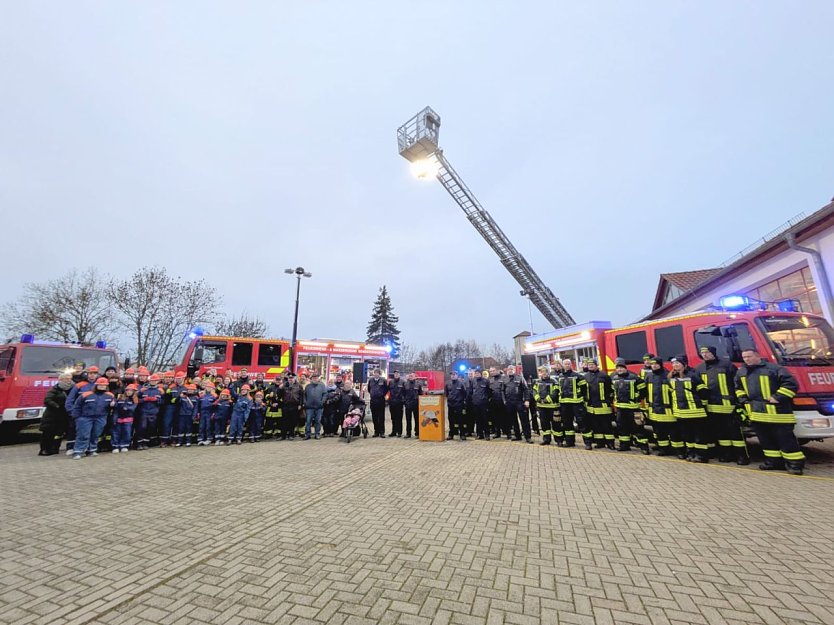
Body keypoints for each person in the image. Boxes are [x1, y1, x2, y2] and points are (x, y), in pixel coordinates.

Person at [735, 347, 804, 475]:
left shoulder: (774, 369)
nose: (746, 359)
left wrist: (777, 397)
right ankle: (773, 462)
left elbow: (791, 384)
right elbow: (738, 387)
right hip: (757, 414)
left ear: (758, 356)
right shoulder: (742, 372)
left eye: (749, 356)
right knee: (766, 441)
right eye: (744, 357)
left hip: (778, 414)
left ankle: (795, 465)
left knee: (786, 440)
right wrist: (743, 399)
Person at [695, 345, 748, 464]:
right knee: (720, 432)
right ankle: (726, 454)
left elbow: (737, 383)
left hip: (729, 405)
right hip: (711, 406)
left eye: (707, 352)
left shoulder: (727, 365)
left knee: (735, 433)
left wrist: (739, 401)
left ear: (713, 353)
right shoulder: (699, 368)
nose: (705, 355)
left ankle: (741, 456)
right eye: (702, 353)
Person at [668, 354, 710, 462]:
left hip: (695, 411)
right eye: (673, 363)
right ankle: (691, 453)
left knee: (699, 435)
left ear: (684, 364)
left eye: (678, 363)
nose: (675, 365)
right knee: (687, 435)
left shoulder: (693, 376)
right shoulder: (672, 378)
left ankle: (701, 455)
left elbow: (704, 392)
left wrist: (702, 405)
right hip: (681, 412)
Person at [643, 357, 682, 457]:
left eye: (656, 364)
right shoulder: (649, 376)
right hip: (654, 409)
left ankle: (678, 451)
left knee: (673, 431)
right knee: (659, 431)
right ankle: (664, 449)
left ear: (660, 364)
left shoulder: (668, 375)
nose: (654, 366)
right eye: (652, 364)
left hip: (668, 409)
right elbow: (645, 392)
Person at [71, 377, 115, 460]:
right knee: (83, 435)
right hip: (85, 418)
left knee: (96, 434)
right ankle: (78, 451)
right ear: (96, 385)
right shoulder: (85, 394)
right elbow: (77, 406)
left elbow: (113, 407)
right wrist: (76, 418)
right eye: (100, 385)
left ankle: (92, 450)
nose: (102, 387)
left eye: (104, 385)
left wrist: (113, 405)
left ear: (107, 386)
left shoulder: (110, 395)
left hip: (101, 417)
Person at [611, 358, 647, 453]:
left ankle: (644, 447)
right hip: (620, 408)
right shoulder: (614, 379)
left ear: (625, 368)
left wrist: (637, 398)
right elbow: (612, 391)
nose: (619, 370)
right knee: (622, 428)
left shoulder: (634, 378)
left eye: (621, 368)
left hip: (633, 408)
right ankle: (624, 445)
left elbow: (643, 390)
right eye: (618, 368)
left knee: (638, 427)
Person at [63, 366, 97, 455]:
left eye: (94, 373)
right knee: (74, 430)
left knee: (91, 432)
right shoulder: (79, 385)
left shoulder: (99, 385)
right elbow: (70, 399)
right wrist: (71, 411)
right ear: (87, 374)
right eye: (90, 373)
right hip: (80, 413)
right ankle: (71, 447)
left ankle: (89, 449)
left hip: (94, 414)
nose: (92, 375)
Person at [39, 373, 73, 456]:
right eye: (66, 378)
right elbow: (47, 400)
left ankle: (55, 448)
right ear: (61, 380)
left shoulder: (73, 389)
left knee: (59, 433)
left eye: (70, 378)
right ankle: (44, 449)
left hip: (64, 415)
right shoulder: (55, 389)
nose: (69, 380)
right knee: (48, 433)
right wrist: (57, 406)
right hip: (52, 415)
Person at [557, 359, 587, 448]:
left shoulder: (578, 376)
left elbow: (584, 389)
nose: (567, 365)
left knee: (582, 422)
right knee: (567, 424)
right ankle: (569, 442)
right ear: (563, 365)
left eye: (568, 364)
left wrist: (581, 397)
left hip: (576, 403)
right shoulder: (560, 376)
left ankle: (587, 442)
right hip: (565, 404)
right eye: (565, 364)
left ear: (571, 365)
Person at [584, 359, 614, 449]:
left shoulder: (604, 375)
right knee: (596, 426)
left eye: (592, 364)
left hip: (603, 405)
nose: (590, 366)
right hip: (591, 406)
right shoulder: (585, 376)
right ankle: (600, 443)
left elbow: (611, 389)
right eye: (589, 365)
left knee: (606, 425)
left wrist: (608, 400)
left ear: (596, 365)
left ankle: (610, 443)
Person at [136, 373, 164, 450]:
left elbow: (163, 401)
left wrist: (157, 400)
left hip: (154, 412)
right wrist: (143, 399)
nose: (153, 382)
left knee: (150, 427)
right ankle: (139, 443)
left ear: (158, 381)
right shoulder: (144, 389)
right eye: (152, 380)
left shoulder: (160, 391)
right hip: (144, 411)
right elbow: (135, 399)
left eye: (155, 381)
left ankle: (145, 443)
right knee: (142, 427)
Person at [503, 366, 530, 442]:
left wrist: (527, 400)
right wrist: (504, 401)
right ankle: (517, 435)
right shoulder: (505, 379)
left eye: (512, 369)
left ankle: (527, 437)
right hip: (509, 402)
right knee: (513, 420)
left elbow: (526, 389)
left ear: (514, 370)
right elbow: (502, 391)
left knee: (524, 420)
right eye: (509, 369)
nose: (510, 371)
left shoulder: (520, 378)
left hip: (519, 401)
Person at [533, 366, 560, 446]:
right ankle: (546, 439)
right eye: (542, 372)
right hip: (541, 407)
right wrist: (537, 398)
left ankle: (558, 440)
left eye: (545, 372)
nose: (544, 373)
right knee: (544, 424)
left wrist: (546, 400)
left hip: (553, 406)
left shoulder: (554, 381)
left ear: (548, 372)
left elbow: (555, 392)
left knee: (556, 424)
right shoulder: (537, 382)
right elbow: (534, 391)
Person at [160, 371, 184, 448]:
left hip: (180, 407)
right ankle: (164, 440)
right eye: (177, 378)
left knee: (176, 424)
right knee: (167, 423)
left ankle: (174, 440)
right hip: (169, 407)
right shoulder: (170, 387)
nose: (178, 380)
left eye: (180, 378)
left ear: (183, 378)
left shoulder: (186, 387)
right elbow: (166, 398)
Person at [112, 384, 138, 453]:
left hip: (128, 419)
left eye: (131, 391)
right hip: (118, 418)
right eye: (127, 390)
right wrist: (113, 403)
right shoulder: (120, 397)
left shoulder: (135, 399)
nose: (129, 392)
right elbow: (115, 408)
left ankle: (124, 445)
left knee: (126, 432)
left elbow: (134, 407)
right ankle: (115, 446)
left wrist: (127, 408)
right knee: (116, 432)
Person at [444, 371, 468, 441]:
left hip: (459, 405)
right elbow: (447, 394)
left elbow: (464, 394)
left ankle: (462, 434)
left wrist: (461, 401)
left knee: (460, 420)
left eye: (454, 375)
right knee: (451, 420)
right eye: (451, 375)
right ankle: (451, 434)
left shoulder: (461, 384)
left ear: (457, 375)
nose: (453, 376)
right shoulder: (448, 384)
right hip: (450, 405)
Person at [304, 372, 327, 440]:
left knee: (318, 421)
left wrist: (322, 402)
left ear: (318, 378)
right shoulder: (308, 386)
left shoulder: (322, 386)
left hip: (319, 407)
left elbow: (325, 394)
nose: (315, 379)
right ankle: (307, 434)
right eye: (313, 378)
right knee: (308, 421)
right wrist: (305, 403)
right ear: (311, 379)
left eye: (316, 378)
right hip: (309, 407)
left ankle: (317, 434)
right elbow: (304, 395)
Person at [280, 373, 303, 440]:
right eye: (289, 378)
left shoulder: (299, 385)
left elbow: (301, 396)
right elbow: (280, 395)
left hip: (294, 405)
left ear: (294, 378)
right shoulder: (284, 385)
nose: (290, 379)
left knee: (292, 421)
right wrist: (280, 388)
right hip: (285, 405)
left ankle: (291, 435)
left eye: (292, 378)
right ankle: (283, 436)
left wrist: (300, 404)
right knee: (284, 421)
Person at [469, 370, 491, 440]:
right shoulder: (473, 381)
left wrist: (486, 399)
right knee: (478, 420)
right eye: (476, 373)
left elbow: (489, 391)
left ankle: (487, 434)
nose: (477, 374)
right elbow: (471, 391)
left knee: (485, 419)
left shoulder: (486, 381)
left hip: (483, 404)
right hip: (475, 403)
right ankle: (479, 434)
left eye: (478, 373)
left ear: (481, 374)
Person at [366, 368, 388, 437]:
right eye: (375, 373)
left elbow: (386, 389)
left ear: (379, 374)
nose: (376, 374)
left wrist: (381, 394)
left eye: (377, 373)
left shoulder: (383, 380)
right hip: (373, 401)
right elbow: (369, 389)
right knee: (374, 417)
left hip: (381, 401)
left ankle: (382, 432)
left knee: (381, 417)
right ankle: (376, 432)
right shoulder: (370, 380)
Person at [403, 372, 423, 438]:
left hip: (416, 404)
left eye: (412, 376)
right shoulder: (405, 384)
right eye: (410, 376)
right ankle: (408, 433)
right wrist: (405, 402)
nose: (410, 377)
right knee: (408, 420)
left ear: (415, 377)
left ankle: (417, 433)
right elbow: (403, 394)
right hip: (408, 404)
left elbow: (421, 394)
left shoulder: (418, 384)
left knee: (417, 419)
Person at [488, 367, 505, 439]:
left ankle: (507, 432)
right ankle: (497, 432)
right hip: (494, 402)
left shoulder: (503, 378)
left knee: (504, 418)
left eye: (493, 371)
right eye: (490, 371)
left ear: (497, 371)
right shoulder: (490, 380)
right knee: (495, 418)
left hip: (502, 401)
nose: (492, 372)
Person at [388, 371, 406, 437]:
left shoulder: (403, 382)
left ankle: (399, 432)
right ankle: (394, 431)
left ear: (399, 375)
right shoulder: (391, 382)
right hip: (392, 402)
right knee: (393, 418)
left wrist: (403, 400)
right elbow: (388, 390)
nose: (396, 375)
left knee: (399, 418)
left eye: (397, 374)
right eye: (395, 374)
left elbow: (405, 392)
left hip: (399, 402)